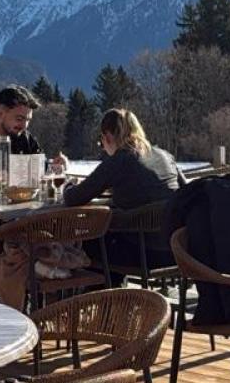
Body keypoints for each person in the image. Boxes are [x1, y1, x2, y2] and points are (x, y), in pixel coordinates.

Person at [63, 108, 184, 271]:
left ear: (108, 136)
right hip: (176, 251)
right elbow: (186, 193)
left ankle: (102, 294)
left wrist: (67, 185)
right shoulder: (164, 156)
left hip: (142, 253)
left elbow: (74, 198)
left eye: (102, 142)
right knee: (112, 235)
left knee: (87, 239)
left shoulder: (120, 159)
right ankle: (118, 292)